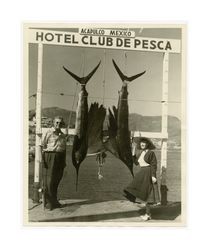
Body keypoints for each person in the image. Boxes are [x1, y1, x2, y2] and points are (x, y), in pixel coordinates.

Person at [124, 137, 160, 221]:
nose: (142, 144)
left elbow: (154, 165)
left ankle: (148, 214)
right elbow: (136, 163)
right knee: (132, 188)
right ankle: (147, 212)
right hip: (142, 173)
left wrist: (153, 176)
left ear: (147, 144)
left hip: (148, 173)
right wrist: (133, 153)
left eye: (144, 143)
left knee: (147, 194)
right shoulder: (141, 153)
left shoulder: (151, 153)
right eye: (141, 143)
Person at [41, 116, 66, 210]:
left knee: (57, 180)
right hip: (50, 156)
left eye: (60, 123)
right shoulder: (48, 132)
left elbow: (64, 149)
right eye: (56, 122)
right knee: (49, 181)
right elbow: (41, 146)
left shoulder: (62, 135)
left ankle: (54, 201)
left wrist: (63, 161)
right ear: (53, 123)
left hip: (60, 157)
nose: (58, 124)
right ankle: (48, 203)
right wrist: (43, 160)